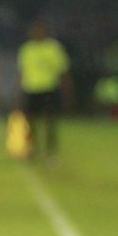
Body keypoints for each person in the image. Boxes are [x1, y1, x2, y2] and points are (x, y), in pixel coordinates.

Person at [17, 20, 72, 162]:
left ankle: (51, 151)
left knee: (50, 121)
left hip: (49, 88)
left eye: (40, 31)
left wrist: (67, 90)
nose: (37, 34)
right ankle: (33, 148)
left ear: (45, 33)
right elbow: (22, 71)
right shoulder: (27, 49)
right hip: (31, 88)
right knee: (31, 122)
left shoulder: (53, 48)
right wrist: (19, 90)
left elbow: (63, 70)